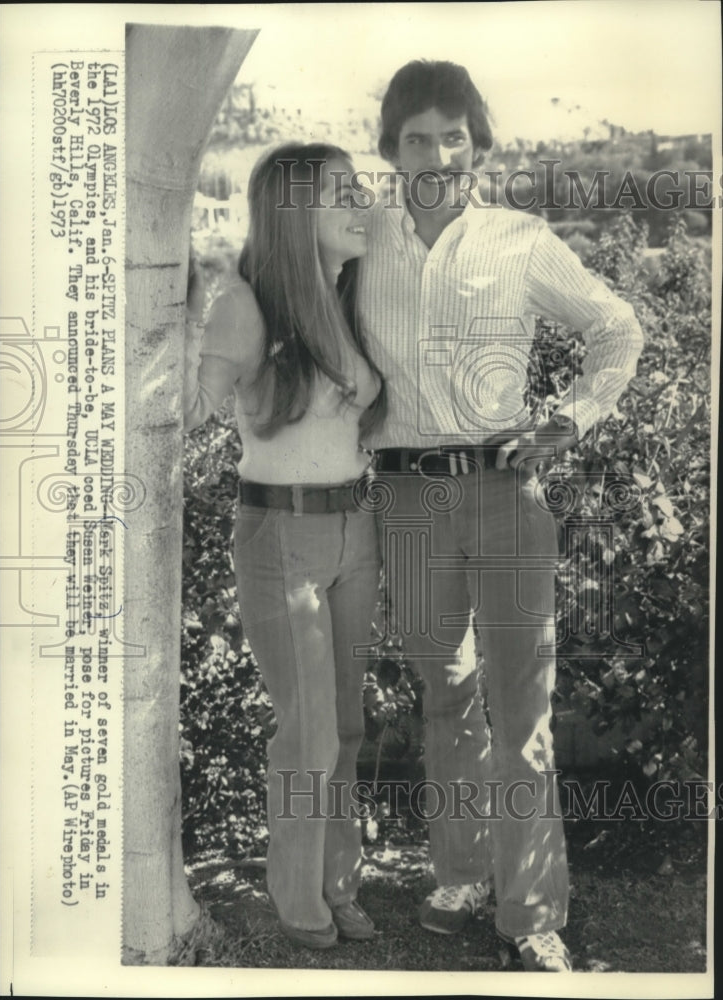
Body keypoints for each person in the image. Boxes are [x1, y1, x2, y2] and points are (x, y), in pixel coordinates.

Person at [357, 60, 644, 971]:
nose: (436, 153)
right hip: (404, 496)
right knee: (445, 696)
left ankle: (531, 915)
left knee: (521, 711)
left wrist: (576, 414)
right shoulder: (358, 242)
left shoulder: (520, 239)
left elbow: (615, 327)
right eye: (416, 138)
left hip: (504, 492)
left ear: (476, 143)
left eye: (453, 135)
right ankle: (461, 871)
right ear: (391, 149)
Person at [183, 142, 386, 950]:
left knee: (344, 728)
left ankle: (339, 885)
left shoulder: (342, 296)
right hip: (281, 532)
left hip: (353, 529)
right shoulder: (245, 300)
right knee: (305, 732)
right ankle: (298, 897)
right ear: (294, 209)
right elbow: (189, 407)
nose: (360, 202)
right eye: (341, 191)